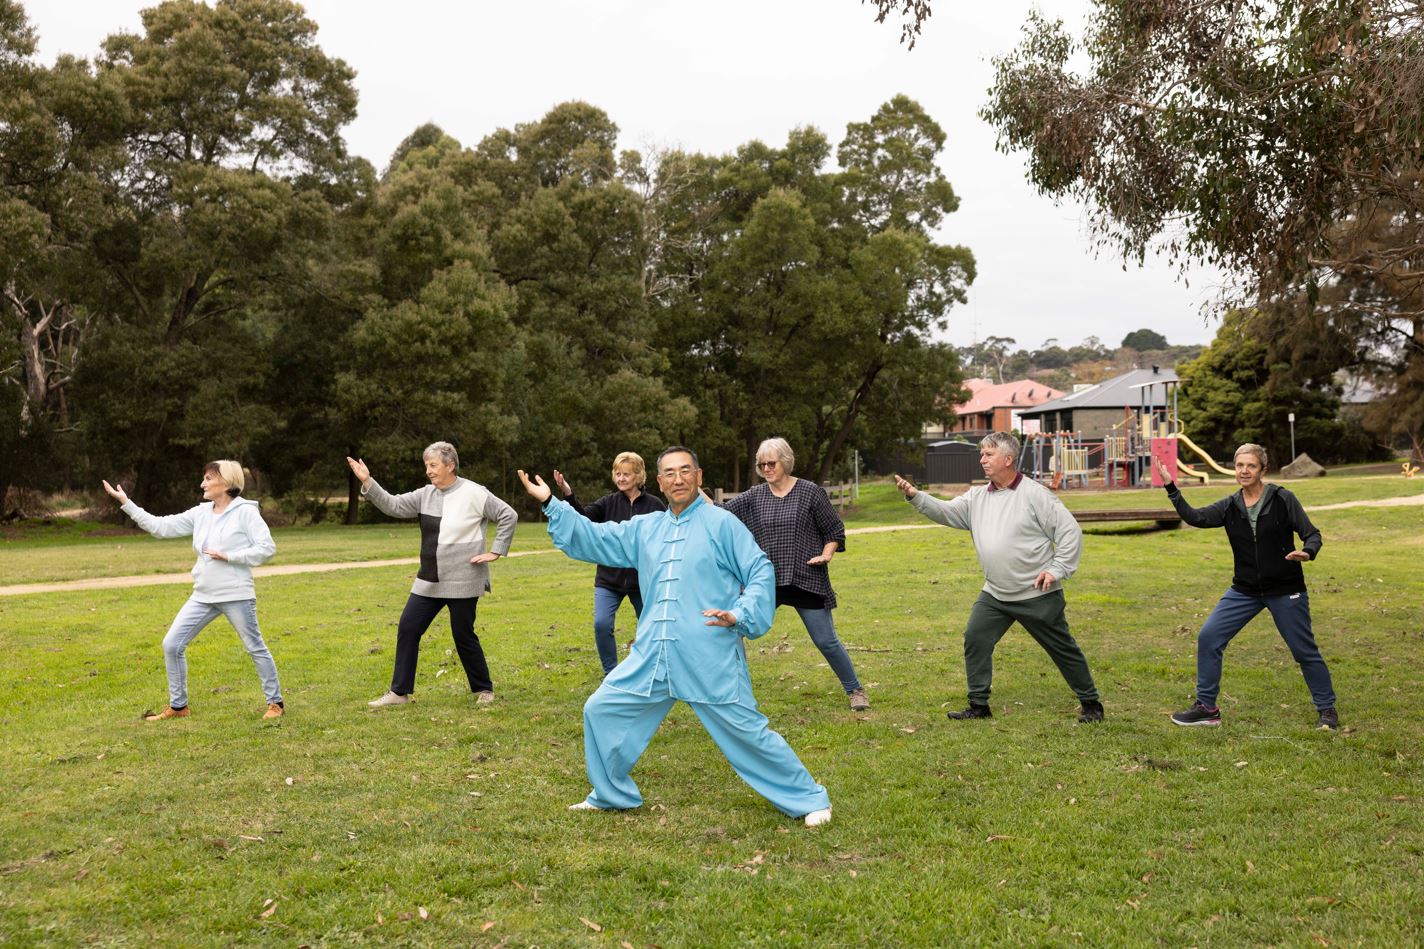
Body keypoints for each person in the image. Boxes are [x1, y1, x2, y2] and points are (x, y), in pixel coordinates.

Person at [518, 447, 833, 827]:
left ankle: (808, 799)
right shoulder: (647, 527)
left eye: (686, 471)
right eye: (670, 473)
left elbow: (760, 571)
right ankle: (611, 794)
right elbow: (595, 537)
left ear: (699, 477)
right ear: (661, 482)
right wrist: (551, 502)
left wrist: (740, 614)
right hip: (652, 655)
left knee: (747, 733)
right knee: (601, 710)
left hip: (708, 655)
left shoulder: (723, 524)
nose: (678, 479)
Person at [894, 432, 1104, 723]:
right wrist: (916, 497)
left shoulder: (1035, 495)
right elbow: (947, 512)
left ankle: (1091, 704)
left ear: (1008, 459)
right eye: (981, 454)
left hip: (1036, 594)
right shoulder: (978, 497)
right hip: (995, 594)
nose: (982, 460)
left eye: (988, 454)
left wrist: (1057, 570)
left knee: (1062, 648)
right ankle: (979, 706)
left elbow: (1069, 532)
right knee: (976, 638)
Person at [1154, 447, 1339, 729]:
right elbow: (1196, 518)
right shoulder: (1230, 506)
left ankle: (1326, 708)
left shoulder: (1282, 499)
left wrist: (1308, 551)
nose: (1244, 471)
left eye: (1250, 466)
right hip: (1245, 591)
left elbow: (1311, 533)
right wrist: (1171, 486)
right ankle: (1207, 708)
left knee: (1304, 651)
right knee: (1209, 637)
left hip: (1285, 588)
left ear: (1262, 470)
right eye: (1239, 465)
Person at [101, 461, 284, 721]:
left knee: (255, 646)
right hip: (203, 595)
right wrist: (126, 503)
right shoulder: (201, 513)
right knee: (172, 644)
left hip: (236, 594)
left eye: (208, 479)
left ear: (227, 482)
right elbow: (160, 527)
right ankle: (179, 707)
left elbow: (266, 548)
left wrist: (230, 556)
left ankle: (275, 703)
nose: (203, 484)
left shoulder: (246, 512)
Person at [346, 442, 518, 708]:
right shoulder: (425, 494)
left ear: (450, 466)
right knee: (408, 627)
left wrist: (496, 551)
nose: (428, 470)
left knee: (463, 634)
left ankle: (484, 688)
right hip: (429, 577)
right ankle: (399, 693)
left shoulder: (474, 492)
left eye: (433, 465)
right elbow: (394, 505)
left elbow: (508, 515)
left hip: (464, 577)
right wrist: (368, 482)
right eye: (426, 465)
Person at [720, 437, 869, 710]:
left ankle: (855, 690)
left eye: (771, 463)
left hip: (805, 576)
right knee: (733, 630)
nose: (766, 468)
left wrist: (827, 554)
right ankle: (733, 692)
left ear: (785, 462)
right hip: (767, 579)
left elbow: (834, 529)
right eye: (761, 464)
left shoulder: (810, 492)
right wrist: (693, 489)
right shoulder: (755, 495)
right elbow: (722, 514)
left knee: (826, 640)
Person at [551, 452, 666, 675]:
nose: (621, 478)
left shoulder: (655, 505)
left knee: (652, 627)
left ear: (639, 476)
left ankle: (653, 669)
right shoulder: (608, 502)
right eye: (618, 474)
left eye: (627, 474)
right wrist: (567, 491)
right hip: (608, 580)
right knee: (601, 624)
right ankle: (611, 674)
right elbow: (582, 519)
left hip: (643, 581)